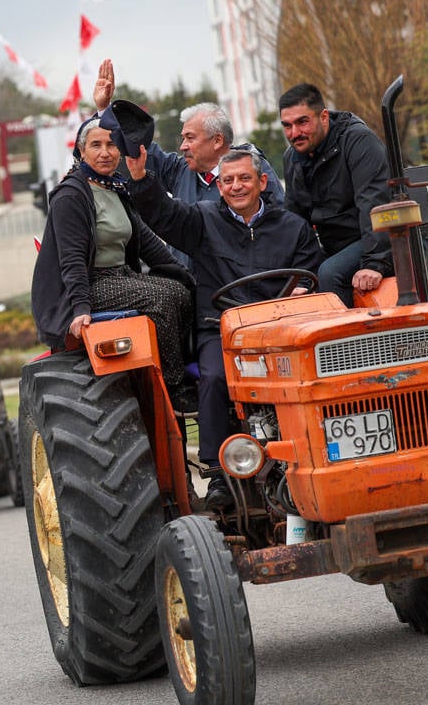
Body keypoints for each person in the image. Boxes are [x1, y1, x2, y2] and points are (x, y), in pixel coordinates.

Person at [128, 147, 323, 510]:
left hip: (279, 331)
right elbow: (164, 215)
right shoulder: (202, 221)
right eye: (228, 180)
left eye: (244, 178)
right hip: (221, 329)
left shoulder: (292, 227)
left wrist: (302, 290)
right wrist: (140, 179)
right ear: (218, 187)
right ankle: (219, 473)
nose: (236, 186)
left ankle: (313, 455)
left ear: (262, 182)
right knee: (215, 377)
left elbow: (309, 273)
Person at [30, 105, 194, 403]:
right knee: (160, 300)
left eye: (111, 145)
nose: (105, 153)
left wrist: (186, 277)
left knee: (181, 293)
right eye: (96, 145)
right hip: (87, 284)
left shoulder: (117, 187)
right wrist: (80, 308)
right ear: (81, 152)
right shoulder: (71, 196)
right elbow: (72, 260)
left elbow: (147, 241)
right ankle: (174, 389)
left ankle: (186, 371)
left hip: (121, 277)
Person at [94, 58, 283, 206]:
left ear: (217, 140)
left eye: (190, 138)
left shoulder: (253, 170)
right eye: (183, 138)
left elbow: (278, 222)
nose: (183, 146)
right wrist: (105, 109)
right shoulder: (180, 171)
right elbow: (139, 147)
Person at [278, 82, 392, 306]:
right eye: (287, 126)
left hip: (386, 237)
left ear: (323, 117)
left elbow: (375, 204)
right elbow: (296, 223)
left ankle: (348, 330)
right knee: (284, 279)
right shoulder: (292, 158)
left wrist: (375, 263)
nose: (294, 133)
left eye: (302, 122)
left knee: (331, 272)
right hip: (337, 244)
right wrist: (300, 278)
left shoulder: (359, 141)